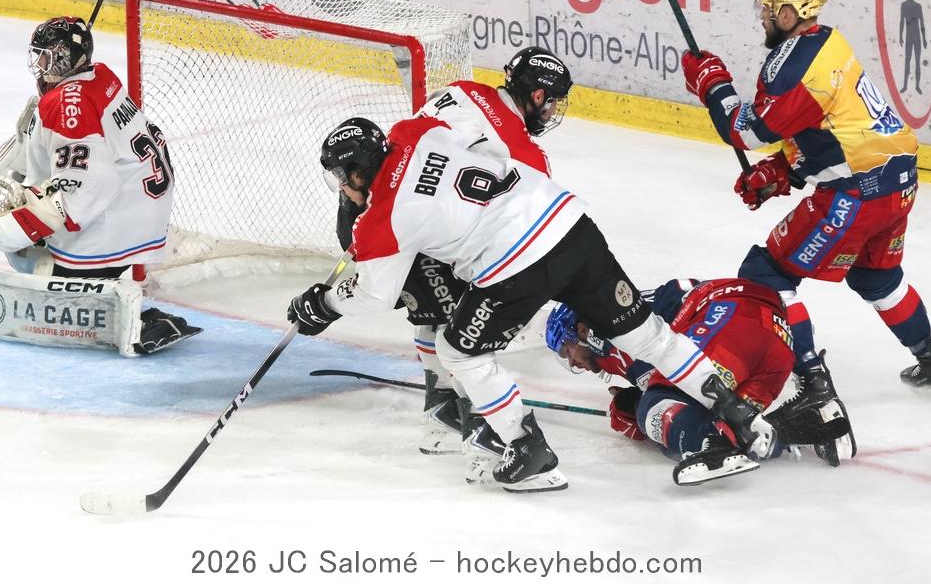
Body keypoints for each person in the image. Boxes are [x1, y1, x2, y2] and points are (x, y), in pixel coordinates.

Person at [288, 115, 771, 492]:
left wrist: (322, 304)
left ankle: (527, 450)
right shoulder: (415, 131)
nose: (342, 188)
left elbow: (374, 292)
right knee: (646, 335)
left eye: (341, 178)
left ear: (357, 171)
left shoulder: (382, 222)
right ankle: (737, 413)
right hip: (568, 224)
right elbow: (480, 141)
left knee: (460, 351)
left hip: (516, 263)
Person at [679, 0, 931, 464]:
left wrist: (713, 86)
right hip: (898, 179)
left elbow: (749, 131)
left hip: (857, 192)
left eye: (769, 9)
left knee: (766, 272)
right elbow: (827, 130)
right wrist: (782, 172)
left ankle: (813, 384)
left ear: (790, 12)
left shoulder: (792, 66)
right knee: (877, 279)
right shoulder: (825, 41)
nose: (762, 16)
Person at [332, 48, 574, 455]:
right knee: (463, 323)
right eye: (551, 101)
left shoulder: (463, 89)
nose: (551, 111)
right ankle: (473, 421)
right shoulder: (527, 155)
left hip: (366, 208)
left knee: (433, 309)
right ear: (537, 96)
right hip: (406, 229)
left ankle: (440, 407)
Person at [0, 16, 200, 355]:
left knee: (32, 265)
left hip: (112, 225)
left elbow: (88, 185)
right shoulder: (100, 77)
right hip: (137, 212)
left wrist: (29, 218)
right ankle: (103, 284)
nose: (39, 64)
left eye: (46, 56)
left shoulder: (68, 106)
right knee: (31, 245)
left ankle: (122, 313)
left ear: (64, 58)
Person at [546, 278, 850, 483]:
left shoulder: (608, 326)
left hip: (730, 318)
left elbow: (667, 378)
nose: (571, 362)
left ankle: (709, 446)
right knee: (734, 426)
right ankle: (809, 419)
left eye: (566, 350)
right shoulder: (612, 348)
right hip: (773, 345)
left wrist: (635, 406)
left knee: (654, 408)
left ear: (582, 331)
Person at [898, 0, 928, 93]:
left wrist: (924, 39)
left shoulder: (918, 6)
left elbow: (922, 23)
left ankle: (917, 86)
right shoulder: (904, 5)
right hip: (910, 37)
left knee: (917, 61)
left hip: (916, 37)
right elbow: (902, 21)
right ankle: (905, 85)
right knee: (908, 60)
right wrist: (900, 35)